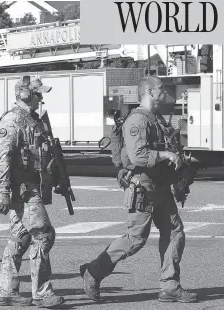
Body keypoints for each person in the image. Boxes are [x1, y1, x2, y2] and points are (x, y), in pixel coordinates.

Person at [79, 75, 198, 303]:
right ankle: (93, 271)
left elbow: (167, 147)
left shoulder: (157, 118)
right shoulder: (137, 120)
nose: (165, 92)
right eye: (162, 89)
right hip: (143, 187)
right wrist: (165, 155)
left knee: (175, 233)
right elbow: (138, 155)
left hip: (161, 187)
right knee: (135, 239)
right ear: (150, 92)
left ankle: (170, 286)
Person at [0, 75, 65, 308]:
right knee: (43, 235)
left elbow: (42, 156)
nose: (41, 98)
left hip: (32, 186)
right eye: (37, 93)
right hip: (23, 189)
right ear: (25, 94)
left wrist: (56, 178)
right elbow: (1, 157)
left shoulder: (34, 120)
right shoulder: (12, 120)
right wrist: (3, 191)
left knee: (20, 237)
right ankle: (42, 292)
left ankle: (6, 290)